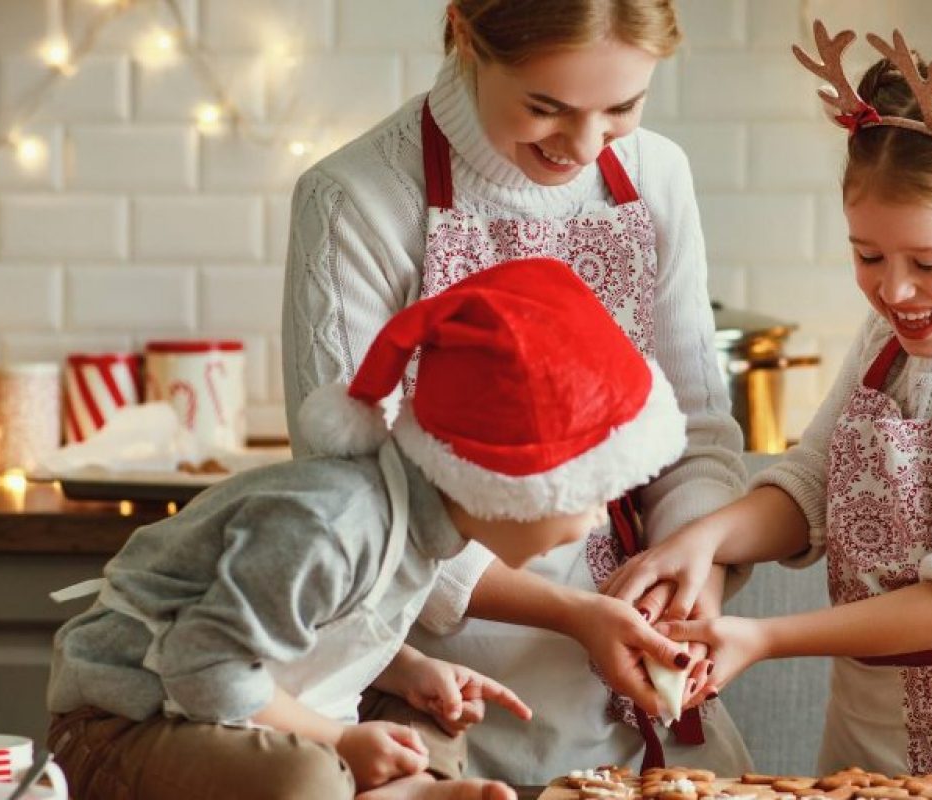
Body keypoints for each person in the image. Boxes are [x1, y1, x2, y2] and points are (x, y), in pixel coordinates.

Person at [606, 23, 932, 775]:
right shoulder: (885, 344)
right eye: (868, 255)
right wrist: (698, 542)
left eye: (928, 262)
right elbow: (810, 487)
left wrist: (764, 637)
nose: (894, 290)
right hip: (862, 741)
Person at [281, 0, 750, 780]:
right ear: (466, 33)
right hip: (440, 692)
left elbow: (696, 429)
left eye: (622, 107)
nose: (584, 144)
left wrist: (692, 565)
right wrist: (569, 614)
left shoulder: (655, 175)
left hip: (637, 686)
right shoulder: (357, 199)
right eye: (546, 108)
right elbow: (355, 502)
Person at [46, 259, 695, 800]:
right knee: (307, 778)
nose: (601, 514)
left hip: (233, 708)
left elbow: (318, 629)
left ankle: (398, 784)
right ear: (510, 488)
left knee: (431, 717)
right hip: (124, 723)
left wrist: (404, 669)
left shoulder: (426, 524)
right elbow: (204, 669)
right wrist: (338, 743)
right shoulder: (333, 525)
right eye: (590, 493)